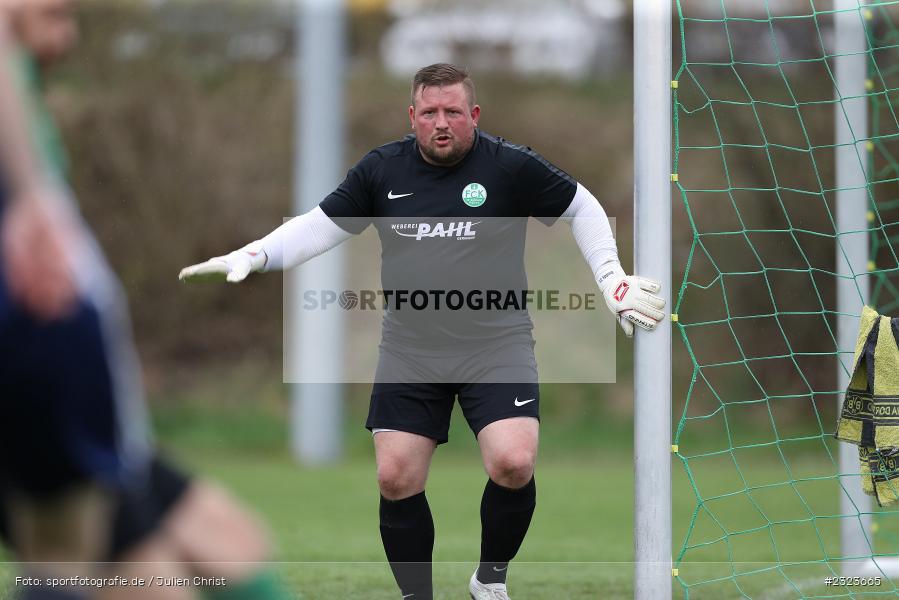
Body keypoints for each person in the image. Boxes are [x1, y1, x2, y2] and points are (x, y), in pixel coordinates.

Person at [180, 63, 666, 600]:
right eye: (430, 112)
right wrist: (255, 254)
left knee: (513, 462)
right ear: (412, 116)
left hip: (495, 343)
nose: (441, 122)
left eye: (453, 112)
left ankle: (490, 581)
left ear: (473, 116)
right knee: (395, 478)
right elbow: (317, 227)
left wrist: (611, 280)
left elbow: (583, 207)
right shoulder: (381, 171)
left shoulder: (509, 166)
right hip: (410, 348)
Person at [0, 2, 288, 599]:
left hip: (68, 367)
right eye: (57, 13)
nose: (70, 34)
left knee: (228, 543)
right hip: (37, 344)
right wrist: (30, 201)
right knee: (100, 569)